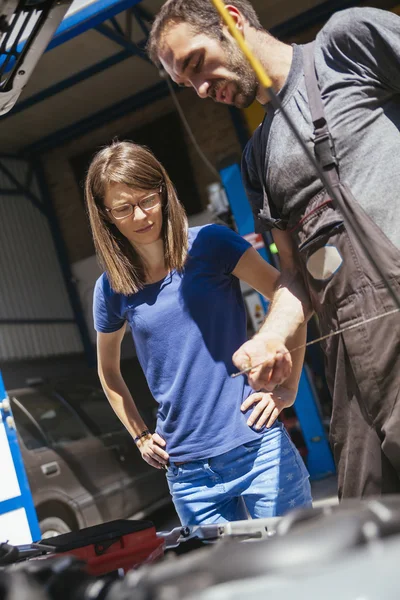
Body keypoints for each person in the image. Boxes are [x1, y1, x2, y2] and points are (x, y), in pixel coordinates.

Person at [148, 1, 400, 499]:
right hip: (351, 352)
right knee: (367, 523)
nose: (200, 89)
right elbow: (293, 275)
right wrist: (271, 337)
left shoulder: (347, 45)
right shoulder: (257, 159)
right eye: (185, 84)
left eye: (196, 63)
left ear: (234, 20)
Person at [85, 140, 311, 526]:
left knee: (303, 576)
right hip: (187, 472)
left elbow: (290, 297)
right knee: (220, 587)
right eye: (124, 208)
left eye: (148, 199)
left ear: (163, 190)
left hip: (257, 446)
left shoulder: (212, 244)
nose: (141, 216)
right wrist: (139, 435)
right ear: (106, 216)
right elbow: (109, 373)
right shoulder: (110, 289)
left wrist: (287, 389)